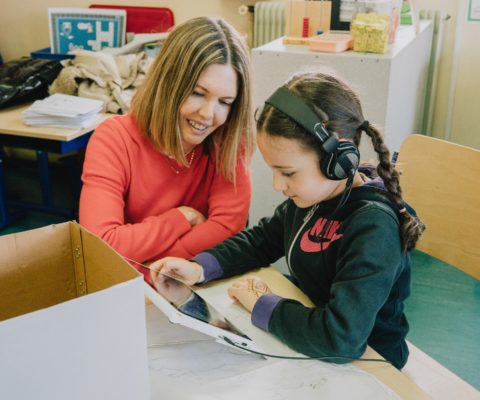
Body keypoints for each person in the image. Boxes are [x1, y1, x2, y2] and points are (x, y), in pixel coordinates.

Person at [149, 72, 425, 369]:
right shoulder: (313, 197)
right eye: (273, 170)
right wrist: (200, 267)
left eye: (288, 173)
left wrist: (261, 303)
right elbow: (262, 240)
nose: (278, 185)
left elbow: (341, 338)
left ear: (338, 158)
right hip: (310, 335)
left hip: (369, 363)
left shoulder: (373, 226)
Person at [79, 17, 254, 281]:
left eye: (225, 102)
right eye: (197, 93)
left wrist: (153, 267)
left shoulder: (228, 141)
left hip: (185, 282)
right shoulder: (114, 138)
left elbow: (227, 228)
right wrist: (180, 219)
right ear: (168, 83)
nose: (208, 114)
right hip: (125, 287)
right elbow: (101, 244)